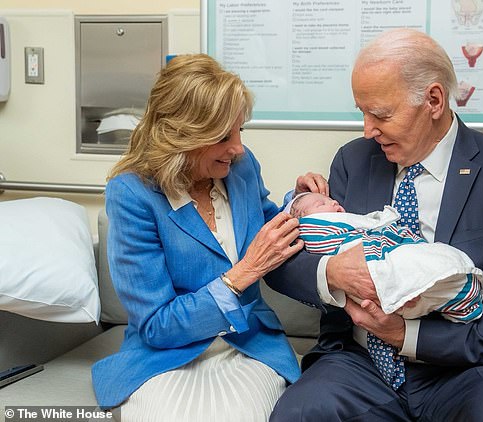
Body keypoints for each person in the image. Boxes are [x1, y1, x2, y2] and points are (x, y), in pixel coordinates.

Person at [267, 28, 483, 421]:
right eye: (362, 113)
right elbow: (284, 263)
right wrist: (331, 270)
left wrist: (405, 335)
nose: (367, 130)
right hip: (361, 364)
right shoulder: (353, 161)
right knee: (299, 413)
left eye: (380, 114)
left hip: (465, 368)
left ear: (433, 100)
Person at [91, 54, 325, 421]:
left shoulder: (240, 168)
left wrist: (298, 203)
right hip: (165, 356)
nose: (238, 148)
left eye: (239, 131)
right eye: (221, 137)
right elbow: (156, 325)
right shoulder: (132, 195)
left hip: (248, 344)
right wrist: (239, 277)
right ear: (180, 136)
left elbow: (264, 227)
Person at [287, 191, 483, 321]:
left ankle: (456, 285)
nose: (334, 201)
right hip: (353, 350)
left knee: (433, 259)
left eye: (330, 200)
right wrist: (330, 271)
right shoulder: (349, 162)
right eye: (322, 203)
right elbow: (279, 254)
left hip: (445, 346)